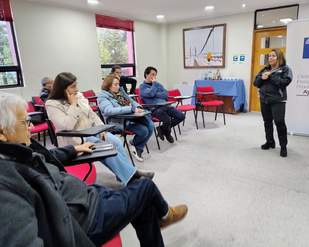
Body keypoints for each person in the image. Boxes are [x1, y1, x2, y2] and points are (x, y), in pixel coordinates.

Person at [0, 92, 188, 247]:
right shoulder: (5, 184)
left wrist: (73, 149)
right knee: (145, 187)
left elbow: (42, 158)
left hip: (87, 196)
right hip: (85, 219)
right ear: (2, 132)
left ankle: (158, 212)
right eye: (25, 122)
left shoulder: (16, 150)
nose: (31, 128)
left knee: (141, 200)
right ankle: (164, 214)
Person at [45, 72, 154, 185]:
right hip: (77, 139)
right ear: (62, 89)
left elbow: (92, 114)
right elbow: (66, 126)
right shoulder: (52, 104)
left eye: (76, 85)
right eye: (73, 87)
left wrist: (103, 129)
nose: (76, 89)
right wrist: (73, 105)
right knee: (106, 148)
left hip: (93, 131)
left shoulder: (79, 96)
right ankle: (132, 176)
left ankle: (126, 174)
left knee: (116, 142)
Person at [98, 74, 154, 162]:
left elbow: (131, 101)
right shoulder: (102, 96)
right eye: (115, 84)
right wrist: (131, 108)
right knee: (144, 131)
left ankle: (136, 146)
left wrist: (138, 107)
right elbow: (109, 111)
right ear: (108, 85)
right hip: (117, 121)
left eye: (118, 84)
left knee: (151, 125)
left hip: (131, 117)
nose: (118, 86)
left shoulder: (120, 91)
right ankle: (136, 146)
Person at [253, 49, 293, 157]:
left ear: (279, 57)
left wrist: (271, 76)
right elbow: (255, 83)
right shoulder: (265, 69)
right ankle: (270, 142)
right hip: (264, 100)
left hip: (278, 100)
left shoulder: (285, 69)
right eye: (269, 56)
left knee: (279, 123)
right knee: (267, 122)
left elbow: (285, 82)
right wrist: (262, 77)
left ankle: (283, 146)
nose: (270, 58)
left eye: (273, 56)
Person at [140, 66, 185, 143]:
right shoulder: (142, 87)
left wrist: (155, 93)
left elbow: (166, 94)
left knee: (181, 116)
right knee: (167, 120)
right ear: (146, 74)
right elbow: (150, 94)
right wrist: (154, 86)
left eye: (155, 75)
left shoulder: (158, 84)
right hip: (155, 109)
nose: (154, 77)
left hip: (166, 105)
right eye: (152, 74)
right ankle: (167, 133)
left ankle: (161, 129)